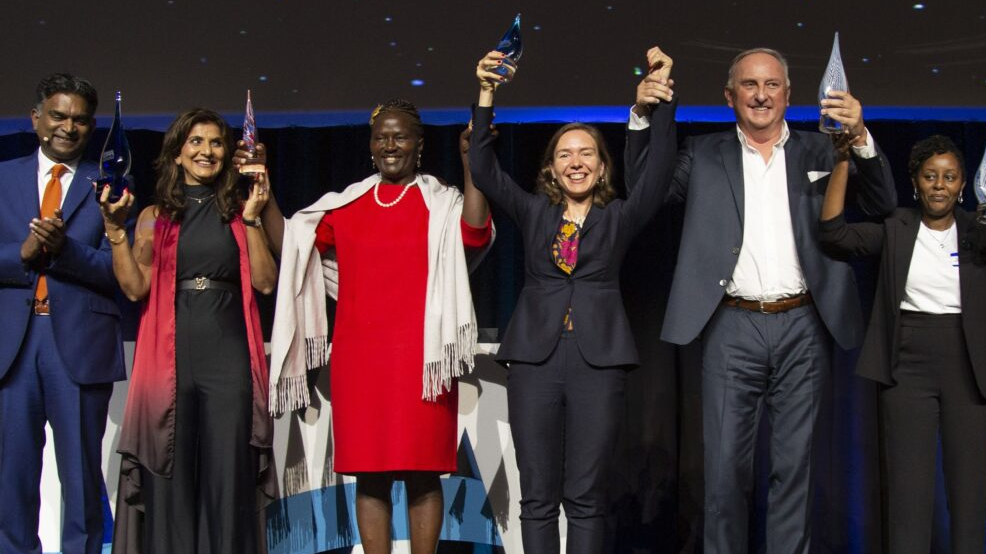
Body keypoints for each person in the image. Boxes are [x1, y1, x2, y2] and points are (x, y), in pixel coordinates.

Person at [624, 48, 898, 553]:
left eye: (772, 85)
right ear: (730, 97)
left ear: (788, 95)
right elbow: (645, 188)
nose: (761, 95)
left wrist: (860, 136)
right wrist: (643, 115)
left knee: (796, 469)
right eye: (749, 85)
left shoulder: (823, 150)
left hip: (805, 323)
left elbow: (882, 204)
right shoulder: (703, 154)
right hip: (732, 325)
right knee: (724, 472)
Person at [470, 47, 678, 553]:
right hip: (535, 362)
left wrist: (660, 104)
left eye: (586, 153)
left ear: (602, 168)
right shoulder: (533, 211)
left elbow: (657, 174)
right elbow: (483, 169)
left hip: (597, 363)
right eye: (564, 154)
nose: (576, 162)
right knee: (537, 496)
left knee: (586, 496)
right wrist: (486, 92)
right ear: (551, 169)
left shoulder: (619, 218)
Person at [266, 99, 493, 554]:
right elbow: (292, 246)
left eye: (400, 136)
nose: (390, 145)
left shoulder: (440, 202)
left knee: (423, 473)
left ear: (419, 145)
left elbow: (474, 231)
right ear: (370, 146)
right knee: (369, 476)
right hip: (361, 361)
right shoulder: (347, 205)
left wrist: (473, 166)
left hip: (424, 361)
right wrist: (264, 189)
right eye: (381, 137)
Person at [819, 134, 986, 554]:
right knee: (908, 493)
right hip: (906, 366)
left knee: (969, 493)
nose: (939, 185)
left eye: (949, 177)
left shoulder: (980, 230)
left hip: (969, 367)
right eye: (930, 176)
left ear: (962, 185)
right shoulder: (896, 227)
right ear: (915, 182)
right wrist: (842, 163)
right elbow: (834, 234)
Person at [99, 108, 278, 554]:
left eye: (216, 142)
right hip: (170, 355)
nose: (207, 151)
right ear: (177, 153)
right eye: (196, 142)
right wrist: (115, 233)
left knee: (227, 472)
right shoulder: (154, 216)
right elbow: (135, 287)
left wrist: (253, 218)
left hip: (228, 354)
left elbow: (265, 282)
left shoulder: (239, 211)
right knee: (169, 468)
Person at [0, 73, 124, 554]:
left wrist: (64, 250)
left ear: (92, 127)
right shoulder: (4, 177)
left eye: (80, 120)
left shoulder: (110, 184)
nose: (68, 127)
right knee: (11, 477)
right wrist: (24, 252)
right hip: (13, 346)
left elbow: (119, 271)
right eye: (58, 115)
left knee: (81, 477)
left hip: (78, 342)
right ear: (36, 118)